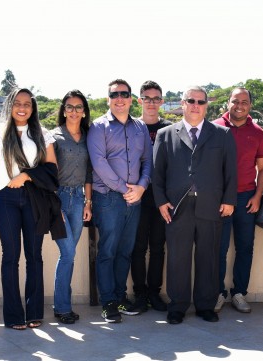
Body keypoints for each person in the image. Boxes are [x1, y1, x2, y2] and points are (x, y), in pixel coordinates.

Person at [0, 88, 59, 330]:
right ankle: (13, 316)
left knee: (35, 256)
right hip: (5, 199)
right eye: (17, 103)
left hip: (34, 198)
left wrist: (25, 176)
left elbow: (52, 171)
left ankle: (34, 313)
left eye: (27, 104)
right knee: (10, 257)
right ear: (10, 105)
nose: (22, 108)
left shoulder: (42, 134)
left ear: (33, 108)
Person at [152, 86, 237, 325]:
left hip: (211, 206)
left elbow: (230, 171)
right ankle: (177, 306)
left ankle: (205, 305)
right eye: (191, 100)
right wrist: (160, 202)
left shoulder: (222, 134)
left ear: (206, 105)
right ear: (183, 103)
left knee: (208, 256)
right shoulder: (165, 134)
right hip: (177, 207)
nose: (195, 105)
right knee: (178, 257)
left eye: (200, 101)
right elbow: (157, 173)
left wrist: (229, 199)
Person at [87, 79, 152, 323]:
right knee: (108, 251)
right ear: (108, 99)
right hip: (109, 198)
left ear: (131, 98)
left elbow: (148, 161)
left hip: (134, 199)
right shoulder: (98, 127)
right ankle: (109, 302)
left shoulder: (140, 127)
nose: (120, 98)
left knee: (125, 251)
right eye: (115, 94)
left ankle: (120, 296)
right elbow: (98, 162)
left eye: (124, 94)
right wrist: (125, 188)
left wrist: (142, 187)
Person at [213, 87, 263, 313]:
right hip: (218, 198)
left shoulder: (257, 133)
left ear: (250, 104)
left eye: (244, 101)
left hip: (247, 197)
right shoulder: (214, 128)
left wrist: (257, 196)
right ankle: (217, 292)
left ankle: (239, 293)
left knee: (245, 247)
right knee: (219, 248)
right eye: (235, 101)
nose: (239, 105)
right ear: (228, 103)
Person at [128, 81, 171, 313]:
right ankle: (140, 294)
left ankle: (154, 292)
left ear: (162, 101)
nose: (152, 103)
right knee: (137, 247)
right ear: (140, 100)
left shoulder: (170, 129)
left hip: (161, 196)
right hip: (136, 194)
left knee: (157, 246)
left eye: (156, 98)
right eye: (147, 98)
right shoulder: (132, 127)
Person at [51, 90, 93, 324]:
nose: (74, 111)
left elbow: (89, 172)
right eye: (69, 106)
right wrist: (54, 206)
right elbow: (48, 174)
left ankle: (61, 304)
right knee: (67, 254)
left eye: (78, 107)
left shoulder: (88, 136)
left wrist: (88, 202)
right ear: (63, 109)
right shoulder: (54, 136)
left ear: (84, 111)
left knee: (68, 254)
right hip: (58, 199)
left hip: (79, 199)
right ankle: (62, 308)